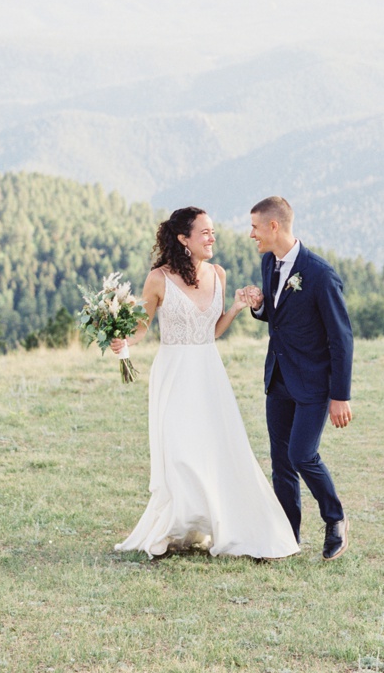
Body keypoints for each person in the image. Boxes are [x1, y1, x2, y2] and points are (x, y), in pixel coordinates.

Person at [111, 206, 300, 561]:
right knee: (180, 452)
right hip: (175, 371)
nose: (212, 237)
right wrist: (124, 342)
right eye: (205, 232)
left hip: (209, 371)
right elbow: (142, 326)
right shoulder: (158, 279)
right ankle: (175, 526)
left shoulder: (218, 274)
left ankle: (215, 523)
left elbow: (211, 330)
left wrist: (237, 309)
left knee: (216, 449)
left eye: (213, 231)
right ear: (184, 239)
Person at [245, 196, 354, 561]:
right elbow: (277, 318)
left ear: (274, 226)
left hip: (314, 383)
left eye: (255, 227)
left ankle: (336, 519)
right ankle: (286, 538)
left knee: (301, 455)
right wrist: (259, 305)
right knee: (281, 463)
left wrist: (340, 395)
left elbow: (341, 338)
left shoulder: (320, 275)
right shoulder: (268, 263)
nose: (251, 235)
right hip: (278, 379)